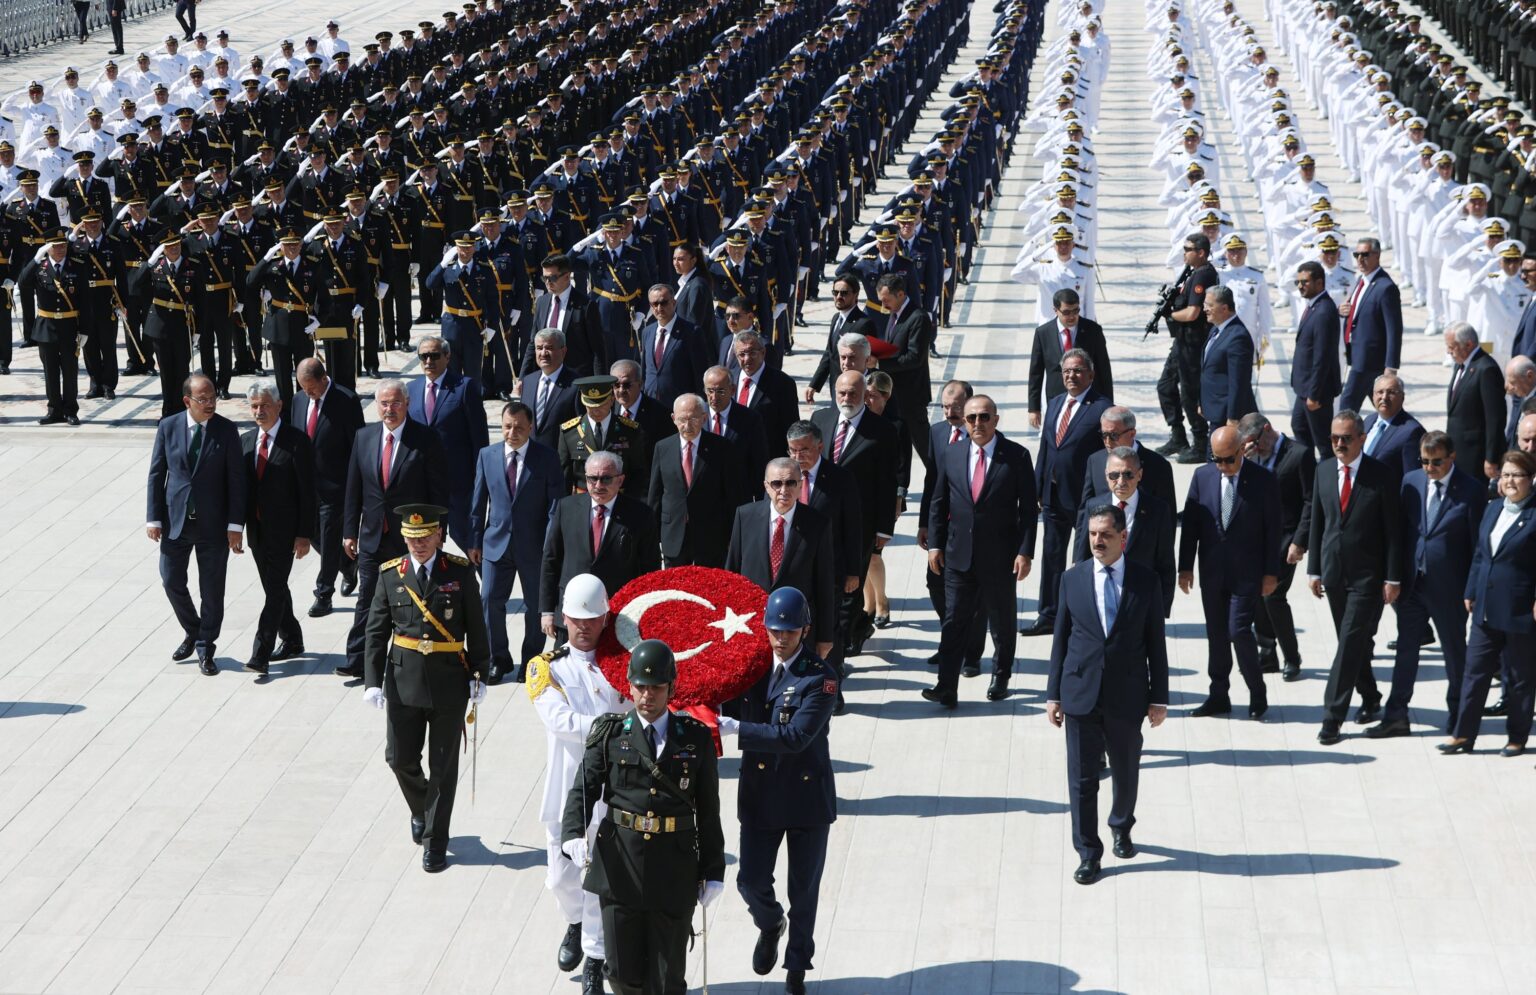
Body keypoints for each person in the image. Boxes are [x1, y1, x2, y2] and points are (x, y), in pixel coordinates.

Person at [560, 640, 725, 995]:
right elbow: (583, 788)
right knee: (621, 973)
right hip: (620, 865)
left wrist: (714, 870)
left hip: (674, 868)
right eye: (640, 686)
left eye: (656, 687)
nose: (647, 695)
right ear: (629, 685)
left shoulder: (695, 738)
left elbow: (709, 810)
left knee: (667, 978)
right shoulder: (610, 734)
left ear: (672, 688)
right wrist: (573, 831)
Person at [717, 587, 837, 995]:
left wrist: (739, 730)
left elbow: (797, 735)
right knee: (750, 880)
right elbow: (723, 695)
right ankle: (770, 924)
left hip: (805, 799)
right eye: (774, 630)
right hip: (761, 794)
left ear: (805, 629)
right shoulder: (752, 667)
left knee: (803, 892)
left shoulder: (821, 678)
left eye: (789, 630)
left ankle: (797, 969)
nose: (781, 638)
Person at [362, 503, 489, 873]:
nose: (418, 544)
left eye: (425, 537)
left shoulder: (461, 574)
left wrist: (479, 672)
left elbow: (476, 628)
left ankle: (435, 841)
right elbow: (376, 632)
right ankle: (422, 809)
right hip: (403, 682)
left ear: (439, 535)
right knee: (399, 758)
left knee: (443, 767)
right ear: (404, 537)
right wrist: (372, 681)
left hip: (449, 682)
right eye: (412, 537)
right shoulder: (391, 574)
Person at [1047, 504, 1169, 886]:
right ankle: (1087, 852)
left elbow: (1156, 645)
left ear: (1123, 538)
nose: (1097, 541)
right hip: (1080, 692)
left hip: (1127, 695)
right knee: (1081, 779)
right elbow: (1060, 640)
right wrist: (1053, 695)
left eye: (1105, 535)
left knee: (1126, 771)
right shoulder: (1072, 579)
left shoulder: (1146, 582)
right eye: (1093, 534)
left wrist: (1159, 697)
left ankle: (1121, 824)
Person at [527, 574, 624, 994]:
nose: (584, 627)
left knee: (599, 883)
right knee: (560, 878)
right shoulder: (545, 668)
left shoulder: (622, 665)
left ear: (606, 619)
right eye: (577, 619)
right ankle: (574, 924)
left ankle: (595, 959)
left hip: (611, 790)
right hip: (567, 787)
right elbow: (560, 722)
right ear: (563, 618)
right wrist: (613, 727)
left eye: (592, 619)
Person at [1369, 432, 1487, 738]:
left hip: (1450, 590)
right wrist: (1393, 577)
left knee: (1454, 654)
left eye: (1436, 461)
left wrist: (1472, 590)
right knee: (1406, 650)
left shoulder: (1472, 491)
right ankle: (1396, 716)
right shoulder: (1411, 482)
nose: (1429, 467)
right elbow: (1400, 533)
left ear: (1452, 458)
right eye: (1424, 461)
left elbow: (1479, 548)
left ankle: (1459, 716)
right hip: (1412, 586)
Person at [923, 393, 1036, 706]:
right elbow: (938, 502)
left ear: (996, 420)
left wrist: (1025, 551)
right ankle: (946, 684)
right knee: (954, 621)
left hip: (1001, 557)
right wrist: (935, 543)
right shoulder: (952, 453)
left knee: (1001, 621)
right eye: (971, 417)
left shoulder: (1017, 456)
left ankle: (1001, 674)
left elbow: (1028, 510)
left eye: (984, 417)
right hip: (958, 554)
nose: (977, 423)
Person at [1301, 411, 1404, 745]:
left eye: (1346, 438)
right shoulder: (1324, 471)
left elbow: (1394, 533)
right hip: (1333, 573)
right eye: (1334, 439)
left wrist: (1392, 577)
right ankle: (1371, 696)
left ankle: (1332, 718)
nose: (1339, 444)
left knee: (1347, 645)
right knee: (1353, 643)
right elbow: (1319, 521)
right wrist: (1314, 568)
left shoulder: (1382, 476)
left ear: (1361, 438)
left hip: (1367, 578)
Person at [340, 379, 450, 679]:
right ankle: (358, 660)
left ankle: (415, 657)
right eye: (384, 404)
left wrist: (439, 533)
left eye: (396, 403)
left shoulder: (425, 439)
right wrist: (349, 531)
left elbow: (439, 490)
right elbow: (354, 489)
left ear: (407, 404)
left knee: (412, 600)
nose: (390, 409)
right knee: (368, 598)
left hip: (412, 538)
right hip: (373, 536)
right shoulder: (364, 437)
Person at [1178, 427, 1282, 719]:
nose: (1222, 466)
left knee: (1237, 631)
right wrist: (1185, 567)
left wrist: (1271, 573)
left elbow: (1273, 530)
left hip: (1247, 574)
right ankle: (1219, 695)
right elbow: (1191, 525)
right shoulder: (1202, 476)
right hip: (1212, 573)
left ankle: (1256, 691)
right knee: (1217, 635)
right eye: (1217, 459)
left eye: (1228, 460)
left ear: (1242, 451)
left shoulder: (1263, 480)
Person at [146, 373, 246, 675]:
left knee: (212, 590)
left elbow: (237, 481)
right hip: (176, 522)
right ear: (187, 400)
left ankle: (205, 647)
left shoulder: (227, 431)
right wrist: (153, 518)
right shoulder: (169, 427)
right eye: (203, 399)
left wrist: (235, 526)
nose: (210, 403)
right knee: (171, 580)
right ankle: (194, 629)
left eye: (213, 397)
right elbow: (156, 474)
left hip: (214, 526)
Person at [1441, 451, 1536, 755]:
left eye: (1517, 475)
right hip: (1485, 605)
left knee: (1519, 676)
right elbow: (1481, 554)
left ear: (1530, 479)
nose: (1509, 480)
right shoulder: (1493, 508)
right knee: (1474, 672)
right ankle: (1463, 735)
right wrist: (1471, 590)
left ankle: (1517, 737)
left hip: (1520, 608)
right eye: (1505, 474)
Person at [469, 401, 565, 684]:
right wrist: (475, 540)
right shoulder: (487, 455)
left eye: (519, 427)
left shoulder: (546, 458)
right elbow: (478, 502)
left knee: (536, 605)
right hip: (495, 544)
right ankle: (498, 659)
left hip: (534, 546)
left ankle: (531, 661)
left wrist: (550, 545)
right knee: (488, 600)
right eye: (508, 426)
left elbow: (554, 507)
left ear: (530, 427)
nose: (512, 432)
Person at [809, 371, 899, 655]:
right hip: (821, 519)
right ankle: (855, 628)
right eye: (842, 393)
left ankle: (840, 644)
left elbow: (887, 483)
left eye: (853, 393)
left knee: (850, 586)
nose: (847, 399)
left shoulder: (882, 431)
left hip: (860, 524)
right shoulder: (819, 420)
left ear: (865, 395)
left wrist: (884, 529)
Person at [1026, 348, 1111, 636]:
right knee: (1051, 556)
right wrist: (1037, 485)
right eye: (1066, 371)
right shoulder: (1055, 402)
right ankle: (1048, 613)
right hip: (1052, 495)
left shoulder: (1101, 408)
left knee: (1083, 559)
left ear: (1090, 374)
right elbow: (1047, 448)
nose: (1071, 376)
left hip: (1084, 498)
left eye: (1077, 371)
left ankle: (1081, 616)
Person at [539, 451, 660, 638]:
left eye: (605, 479)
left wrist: (645, 612)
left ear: (620, 480)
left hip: (619, 614)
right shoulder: (566, 508)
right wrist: (547, 611)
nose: (598, 485)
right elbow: (551, 560)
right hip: (572, 614)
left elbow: (649, 569)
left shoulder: (641, 515)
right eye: (592, 479)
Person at [725, 458, 838, 657]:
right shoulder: (745, 516)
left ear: (801, 485)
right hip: (751, 626)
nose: (783, 490)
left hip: (796, 630)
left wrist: (825, 637)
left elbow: (825, 583)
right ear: (766, 486)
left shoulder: (817, 524)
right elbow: (731, 575)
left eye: (790, 483)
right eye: (777, 483)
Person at [241, 380, 315, 676]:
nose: (259, 411)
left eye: (265, 406)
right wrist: (234, 528)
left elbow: (308, 492)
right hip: (257, 531)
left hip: (286, 532)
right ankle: (293, 638)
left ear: (279, 406)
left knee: (273, 591)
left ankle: (261, 653)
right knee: (275, 586)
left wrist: (304, 534)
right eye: (255, 406)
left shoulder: (297, 441)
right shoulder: (245, 441)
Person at [1241, 413, 1315, 682]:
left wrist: (1300, 541)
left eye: (1255, 442)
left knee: (1273, 596)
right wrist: (1243, 463)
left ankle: (1292, 657)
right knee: (1257, 594)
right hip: (1256, 538)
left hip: (1285, 538)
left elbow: (1310, 501)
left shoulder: (1299, 454)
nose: (1254, 447)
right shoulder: (1250, 456)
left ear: (1268, 430)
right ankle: (1267, 651)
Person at [291, 358, 364, 618]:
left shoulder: (346, 401)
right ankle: (348, 564)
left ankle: (324, 594)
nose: (308, 394)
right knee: (313, 536)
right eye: (303, 388)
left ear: (324, 379)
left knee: (330, 539)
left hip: (335, 487)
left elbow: (358, 445)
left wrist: (355, 486)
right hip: (306, 486)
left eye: (311, 388)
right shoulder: (299, 400)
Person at [1072, 446, 1177, 618]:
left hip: (1141, 600)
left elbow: (1165, 562)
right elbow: (1083, 557)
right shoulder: (1093, 506)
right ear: (1106, 476)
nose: (1121, 481)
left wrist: (1161, 609)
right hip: (1101, 597)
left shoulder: (1157, 510)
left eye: (1128, 474)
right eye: (1114, 475)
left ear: (1139, 475)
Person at [408, 337, 489, 547]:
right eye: (423, 356)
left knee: (465, 538)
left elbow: (479, 438)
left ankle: (482, 578)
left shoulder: (465, 386)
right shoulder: (411, 388)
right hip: (423, 484)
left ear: (447, 356)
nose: (428, 361)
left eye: (434, 356)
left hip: (458, 482)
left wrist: (479, 478)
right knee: (427, 541)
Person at [647, 393, 741, 567]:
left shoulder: (721, 448)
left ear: (704, 418)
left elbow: (732, 496)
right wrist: (653, 536)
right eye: (682, 419)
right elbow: (655, 495)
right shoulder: (662, 448)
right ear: (673, 418)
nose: (687, 425)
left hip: (710, 536)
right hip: (673, 534)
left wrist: (731, 536)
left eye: (693, 419)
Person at [17, 229, 92, 426]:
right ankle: (54, 410)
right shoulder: (39, 268)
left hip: (69, 326)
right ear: (47, 248)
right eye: (55, 246)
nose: (60, 249)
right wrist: (36, 257)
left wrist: (84, 329)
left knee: (69, 370)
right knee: (50, 371)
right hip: (46, 326)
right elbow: (23, 283)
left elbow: (85, 301)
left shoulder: (76, 266)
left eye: (63, 245)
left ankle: (70, 410)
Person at [1156, 233, 1219, 461]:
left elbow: (1193, 313)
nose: (1184, 253)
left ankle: (1200, 443)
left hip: (1193, 344)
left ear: (1201, 252)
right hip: (1182, 343)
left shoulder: (1204, 275)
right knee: (1165, 386)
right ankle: (1178, 436)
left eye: (1188, 249)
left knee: (1190, 394)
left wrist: (1170, 314)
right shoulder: (1193, 273)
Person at [872, 272, 934, 471]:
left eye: (886, 300)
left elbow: (915, 358)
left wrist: (879, 364)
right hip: (893, 395)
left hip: (911, 396)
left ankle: (942, 483)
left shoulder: (918, 318)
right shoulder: (894, 315)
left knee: (924, 447)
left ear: (900, 295)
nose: (883, 305)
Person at [1028, 288, 1113, 427]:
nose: (1072, 316)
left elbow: (1104, 369)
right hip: (1056, 398)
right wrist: (1034, 408)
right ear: (1055, 310)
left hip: (1088, 398)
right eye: (1066, 312)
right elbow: (1035, 373)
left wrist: (1109, 405)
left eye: (1076, 310)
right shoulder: (1043, 333)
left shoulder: (1093, 330)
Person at [1338, 238, 1403, 412]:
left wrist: (1391, 366)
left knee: (1347, 405)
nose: (1360, 259)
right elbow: (1359, 312)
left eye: (1365, 254)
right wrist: (1344, 310)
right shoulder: (1362, 280)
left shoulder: (1385, 287)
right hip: (1358, 354)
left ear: (1377, 255)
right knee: (1384, 407)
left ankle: (1346, 437)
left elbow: (1394, 329)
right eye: (1356, 254)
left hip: (1370, 359)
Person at [557, 374, 648, 495]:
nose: (596, 410)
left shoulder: (630, 430)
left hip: (619, 501)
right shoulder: (569, 432)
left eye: (601, 405)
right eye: (591, 406)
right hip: (583, 501)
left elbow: (638, 474)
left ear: (611, 400)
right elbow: (563, 476)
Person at [1443, 321, 1506, 485]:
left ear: (1468, 344)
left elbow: (1495, 418)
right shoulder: (1462, 365)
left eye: (1452, 346)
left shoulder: (1486, 369)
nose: (1448, 351)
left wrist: (1491, 458)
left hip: (1475, 455)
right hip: (1458, 451)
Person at [1290, 261, 1341, 460]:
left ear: (1319, 283)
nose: (1301, 286)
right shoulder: (1314, 307)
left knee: (1323, 443)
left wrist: (1314, 394)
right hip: (1304, 388)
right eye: (1299, 282)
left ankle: (1329, 482)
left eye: (1305, 282)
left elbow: (1323, 356)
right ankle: (1309, 480)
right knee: (1300, 429)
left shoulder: (1323, 312)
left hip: (1315, 392)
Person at [638, 283, 711, 411]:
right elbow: (645, 369)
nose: (659, 308)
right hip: (652, 404)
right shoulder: (647, 332)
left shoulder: (691, 332)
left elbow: (700, 372)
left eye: (664, 303)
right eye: (655, 304)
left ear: (674, 303)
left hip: (680, 406)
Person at [1198, 286, 1256, 435]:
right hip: (1215, 410)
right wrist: (1203, 403)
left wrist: (1233, 417)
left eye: (1210, 305)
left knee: (1220, 456)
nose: (1205, 309)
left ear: (1224, 308)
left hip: (1227, 415)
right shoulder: (1217, 329)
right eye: (1205, 304)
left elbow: (1239, 382)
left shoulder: (1237, 337)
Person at [807, 276, 876, 401]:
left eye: (844, 293)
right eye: (835, 292)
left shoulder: (864, 324)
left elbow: (870, 362)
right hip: (836, 386)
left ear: (856, 294)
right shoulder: (836, 319)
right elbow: (830, 353)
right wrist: (815, 384)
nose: (839, 296)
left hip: (852, 391)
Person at [520, 329, 581, 450]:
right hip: (530, 456)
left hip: (560, 460)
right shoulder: (528, 381)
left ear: (563, 351)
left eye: (549, 348)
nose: (543, 353)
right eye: (539, 348)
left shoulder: (576, 385)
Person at [1360, 374, 1426, 479]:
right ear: (1373, 396)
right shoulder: (1368, 420)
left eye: (1391, 392)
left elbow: (1412, 477)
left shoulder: (1412, 431)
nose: (1384, 397)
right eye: (1380, 392)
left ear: (1402, 397)